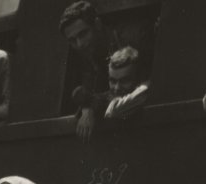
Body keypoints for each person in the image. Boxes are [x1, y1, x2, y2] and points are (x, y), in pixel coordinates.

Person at [59, 1, 155, 140]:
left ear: (97, 24)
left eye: (83, 34)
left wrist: (92, 105)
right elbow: (92, 91)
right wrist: (87, 107)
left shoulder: (133, 39)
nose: (79, 44)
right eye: (73, 40)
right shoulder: (88, 53)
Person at [104, 47, 151, 120]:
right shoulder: (106, 97)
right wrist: (87, 109)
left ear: (138, 79)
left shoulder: (146, 92)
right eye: (113, 81)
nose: (117, 88)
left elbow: (114, 110)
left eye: (124, 81)